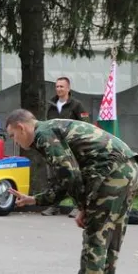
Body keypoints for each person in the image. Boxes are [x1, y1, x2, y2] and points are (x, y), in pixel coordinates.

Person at [4, 109, 138, 274]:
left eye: (13, 136)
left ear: (22, 128)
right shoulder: (52, 128)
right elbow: (65, 178)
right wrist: (34, 200)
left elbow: (70, 175)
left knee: (95, 238)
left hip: (110, 172)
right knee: (109, 237)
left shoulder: (44, 134)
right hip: (126, 169)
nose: (15, 142)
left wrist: (82, 207)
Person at [42, 76, 91, 218]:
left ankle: (78, 206)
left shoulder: (76, 105)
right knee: (55, 176)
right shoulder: (51, 105)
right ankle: (54, 205)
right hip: (55, 147)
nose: (59, 89)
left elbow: (85, 125)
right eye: (57, 86)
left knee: (75, 176)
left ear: (68, 88)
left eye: (61, 87)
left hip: (72, 147)